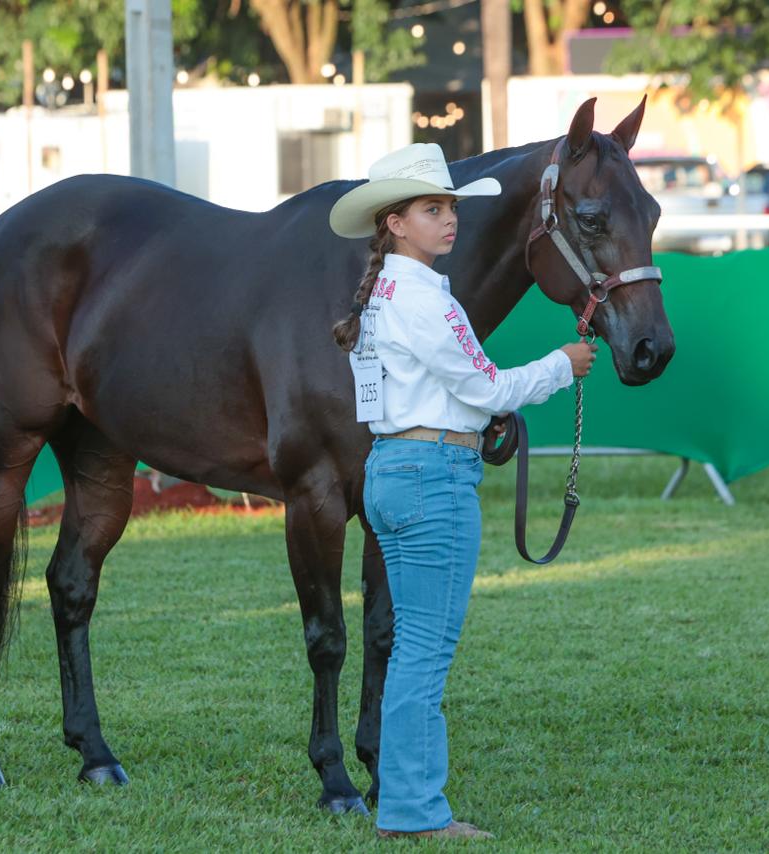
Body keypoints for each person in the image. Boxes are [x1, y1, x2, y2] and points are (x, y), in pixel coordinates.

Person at [329, 144, 596, 839]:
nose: (449, 219)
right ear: (395, 223)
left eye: (449, 207)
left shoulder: (384, 296)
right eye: (432, 209)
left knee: (412, 646)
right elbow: (487, 388)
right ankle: (415, 810)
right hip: (432, 475)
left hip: (393, 469)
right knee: (424, 649)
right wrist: (562, 365)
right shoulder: (425, 298)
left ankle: (405, 801)